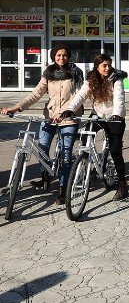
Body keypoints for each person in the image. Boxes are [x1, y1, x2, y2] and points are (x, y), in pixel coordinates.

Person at [1, 43, 83, 205]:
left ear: (69, 56)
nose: (61, 58)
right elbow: (36, 93)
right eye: (58, 55)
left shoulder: (76, 73)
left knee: (66, 155)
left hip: (69, 118)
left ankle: (63, 187)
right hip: (50, 116)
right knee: (42, 148)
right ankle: (45, 177)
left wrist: (64, 112)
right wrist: (17, 107)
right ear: (53, 56)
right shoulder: (49, 73)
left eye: (64, 55)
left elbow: (78, 97)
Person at [57, 54, 128, 200]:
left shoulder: (116, 79)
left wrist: (117, 115)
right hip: (98, 115)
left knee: (115, 151)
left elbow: (119, 98)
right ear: (97, 67)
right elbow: (80, 96)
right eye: (104, 65)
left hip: (115, 117)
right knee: (84, 137)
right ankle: (88, 164)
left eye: (109, 65)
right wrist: (70, 109)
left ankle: (122, 184)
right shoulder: (91, 80)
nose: (107, 68)